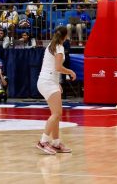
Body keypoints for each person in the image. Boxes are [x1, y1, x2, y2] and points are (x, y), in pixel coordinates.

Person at [36, 26, 76, 155]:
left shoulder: (51, 46)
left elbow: (51, 67)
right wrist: (70, 71)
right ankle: (43, 141)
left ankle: (56, 143)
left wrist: (57, 83)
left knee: (57, 114)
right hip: (47, 82)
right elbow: (58, 67)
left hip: (47, 81)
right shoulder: (59, 47)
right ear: (65, 36)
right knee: (57, 114)